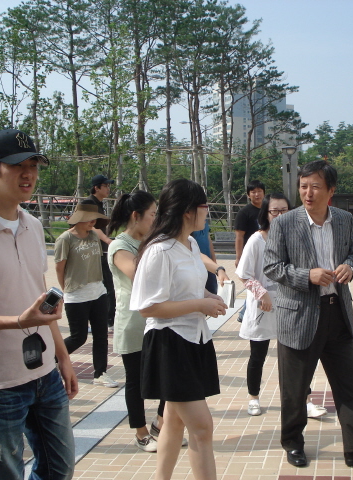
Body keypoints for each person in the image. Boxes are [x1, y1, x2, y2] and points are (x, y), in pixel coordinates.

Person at [0, 128, 76, 479]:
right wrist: (17, 321)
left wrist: (63, 357)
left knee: (59, 468)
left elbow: (39, 299)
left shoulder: (33, 226)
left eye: (33, 165)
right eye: (17, 165)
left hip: (44, 374)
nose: (28, 174)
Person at [264, 160, 353, 468]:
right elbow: (272, 267)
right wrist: (306, 276)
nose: (308, 193)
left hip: (336, 313)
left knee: (350, 386)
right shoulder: (285, 223)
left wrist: (351, 266)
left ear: (331, 191)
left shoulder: (344, 220)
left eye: (315, 187)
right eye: (303, 187)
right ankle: (293, 444)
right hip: (299, 316)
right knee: (295, 390)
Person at [131, 179, 227, 480]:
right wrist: (200, 303)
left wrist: (209, 297)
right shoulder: (159, 251)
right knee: (202, 427)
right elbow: (148, 307)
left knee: (173, 421)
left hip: (194, 339)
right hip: (169, 343)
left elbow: (189, 288)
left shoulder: (191, 244)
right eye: (204, 206)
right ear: (188, 211)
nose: (207, 212)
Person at [235, 193, 328, 419]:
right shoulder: (256, 240)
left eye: (283, 211)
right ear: (265, 214)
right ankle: (253, 398)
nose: (278, 215)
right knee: (258, 355)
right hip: (263, 306)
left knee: (297, 356)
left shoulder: (295, 237)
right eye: (274, 211)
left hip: (290, 306)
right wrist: (262, 293)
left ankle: (305, 400)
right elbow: (244, 274)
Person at [107, 190, 163, 452]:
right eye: (152, 214)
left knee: (166, 376)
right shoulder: (119, 246)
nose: (156, 219)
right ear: (135, 216)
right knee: (136, 381)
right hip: (132, 322)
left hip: (156, 320)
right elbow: (138, 274)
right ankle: (141, 433)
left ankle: (160, 426)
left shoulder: (152, 241)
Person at [55, 203, 118, 388]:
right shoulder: (65, 239)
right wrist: (65, 290)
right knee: (78, 337)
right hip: (76, 294)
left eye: (95, 219)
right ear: (79, 219)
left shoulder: (93, 235)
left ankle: (100, 373)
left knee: (101, 335)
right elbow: (59, 268)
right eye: (89, 218)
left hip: (98, 291)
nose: (93, 222)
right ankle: (51, 360)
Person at [81, 174, 116, 330]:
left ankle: (105, 319)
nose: (108, 189)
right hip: (92, 252)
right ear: (97, 188)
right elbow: (91, 227)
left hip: (100, 251)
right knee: (104, 286)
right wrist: (108, 241)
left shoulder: (99, 204)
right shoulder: (88, 203)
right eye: (105, 186)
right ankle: (108, 320)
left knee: (103, 286)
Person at [234, 180, 265, 322]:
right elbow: (239, 236)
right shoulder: (244, 213)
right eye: (253, 192)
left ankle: (245, 311)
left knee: (260, 283)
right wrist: (239, 257)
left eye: (259, 191)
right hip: (251, 255)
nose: (257, 194)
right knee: (253, 283)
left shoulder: (268, 210)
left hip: (266, 253)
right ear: (248, 195)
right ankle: (244, 313)